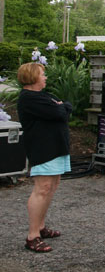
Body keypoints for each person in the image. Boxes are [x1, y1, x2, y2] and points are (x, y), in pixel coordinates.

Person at [17, 62, 73, 253]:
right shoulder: (29, 99)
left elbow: (66, 106)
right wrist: (61, 108)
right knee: (43, 188)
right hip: (44, 149)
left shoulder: (44, 97)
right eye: (42, 74)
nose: (45, 77)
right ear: (32, 77)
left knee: (52, 185)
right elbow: (59, 111)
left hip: (56, 147)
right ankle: (33, 236)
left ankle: (41, 226)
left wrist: (62, 107)